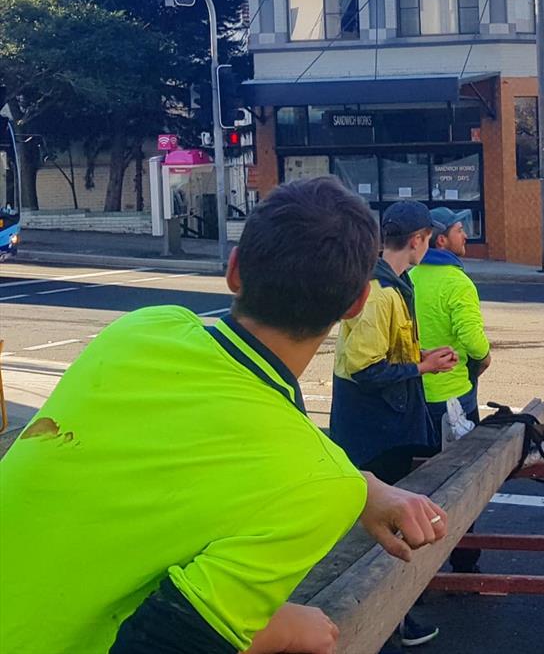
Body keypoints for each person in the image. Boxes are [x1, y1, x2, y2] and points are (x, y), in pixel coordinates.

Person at [0, 178, 448, 654]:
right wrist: (278, 630)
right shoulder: (319, 482)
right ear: (357, 303)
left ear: (234, 271)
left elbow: (194, 446)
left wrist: (358, 485)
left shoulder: (143, 329)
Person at [329, 199, 456, 648]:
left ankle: (395, 618)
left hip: (388, 426)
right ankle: (384, 621)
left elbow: (381, 358)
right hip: (375, 433)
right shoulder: (380, 292)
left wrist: (423, 361)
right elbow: (363, 372)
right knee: (377, 533)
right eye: (428, 238)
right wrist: (420, 370)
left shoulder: (393, 285)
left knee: (384, 529)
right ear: (419, 241)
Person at [412, 207, 491, 575]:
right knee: (461, 482)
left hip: (415, 396)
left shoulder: (409, 277)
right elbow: (472, 339)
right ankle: (464, 560)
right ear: (441, 239)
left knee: (418, 482)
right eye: (461, 230)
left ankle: (417, 570)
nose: (466, 237)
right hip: (454, 397)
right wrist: (484, 356)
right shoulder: (457, 283)